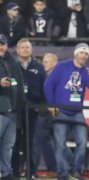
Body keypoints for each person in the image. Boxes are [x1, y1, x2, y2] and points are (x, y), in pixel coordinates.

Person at [44, 43, 89, 180]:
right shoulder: (62, 66)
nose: (84, 56)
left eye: (86, 54)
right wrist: (51, 103)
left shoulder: (86, 71)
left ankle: (76, 171)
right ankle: (62, 174)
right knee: (60, 146)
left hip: (77, 112)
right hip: (61, 111)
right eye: (81, 53)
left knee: (82, 144)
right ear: (75, 53)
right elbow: (48, 84)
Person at [11, 38, 47, 178]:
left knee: (31, 143)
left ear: (31, 50)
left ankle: (31, 172)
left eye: (28, 47)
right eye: (23, 47)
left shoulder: (38, 66)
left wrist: (42, 106)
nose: (26, 49)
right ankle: (14, 171)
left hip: (33, 110)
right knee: (14, 142)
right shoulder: (12, 65)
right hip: (16, 110)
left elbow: (45, 88)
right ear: (18, 50)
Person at [0, 34, 24, 180]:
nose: (0, 47)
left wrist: (20, 104)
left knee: (8, 145)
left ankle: (6, 172)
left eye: (2, 44)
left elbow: (19, 84)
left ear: (7, 45)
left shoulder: (12, 62)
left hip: (13, 110)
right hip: (1, 110)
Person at [32, 52, 59, 178]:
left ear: (54, 63)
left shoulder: (54, 77)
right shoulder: (46, 75)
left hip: (47, 114)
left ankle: (32, 171)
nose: (43, 64)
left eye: (46, 62)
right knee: (51, 143)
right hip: (51, 114)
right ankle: (53, 169)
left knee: (37, 143)